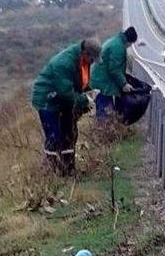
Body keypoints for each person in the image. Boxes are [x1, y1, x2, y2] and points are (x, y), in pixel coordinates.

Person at [31, 38, 101, 176]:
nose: (93, 62)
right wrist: (85, 100)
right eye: (93, 59)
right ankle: (53, 173)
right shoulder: (65, 63)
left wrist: (90, 92)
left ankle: (69, 170)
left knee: (70, 134)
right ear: (85, 53)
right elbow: (66, 91)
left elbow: (79, 83)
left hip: (63, 101)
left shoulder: (83, 62)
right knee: (54, 136)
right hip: (48, 100)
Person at [91, 26, 139, 121]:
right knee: (105, 111)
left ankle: (103, 126)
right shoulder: (118, 47)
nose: (130, 46)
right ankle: (104, 127)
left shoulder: (116, 41)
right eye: (131, 44)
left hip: (101, 78)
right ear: (129, 41)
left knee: (105, 105)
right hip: (103, 81)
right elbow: (114, 69)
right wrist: (124, 84)